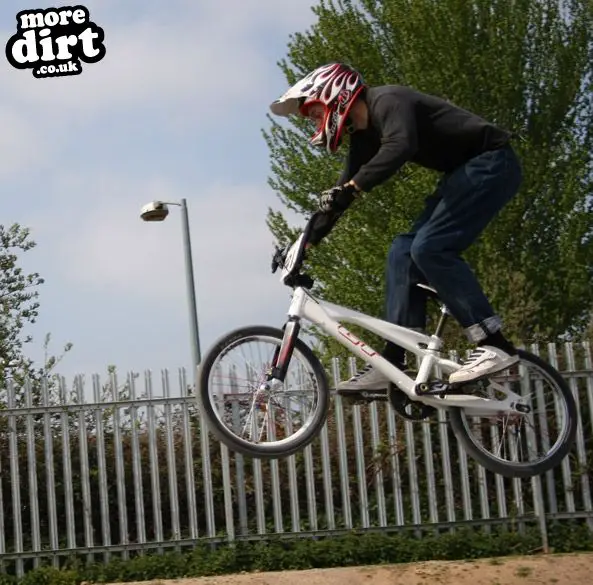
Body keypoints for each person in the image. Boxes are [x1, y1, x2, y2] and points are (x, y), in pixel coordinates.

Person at [269, 62, 523, 391]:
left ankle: (495, 343)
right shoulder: (364, 138)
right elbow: (340, 195)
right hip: (462, 174)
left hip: (492, 163)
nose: (315, 123)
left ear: (334, 95)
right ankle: (394, 359)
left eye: (314, 114)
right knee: (402, 251)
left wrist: (352, 188)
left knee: (430, 247)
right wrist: (302, 245)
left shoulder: (388, 100)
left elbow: (401, 146)